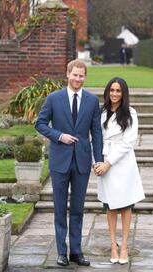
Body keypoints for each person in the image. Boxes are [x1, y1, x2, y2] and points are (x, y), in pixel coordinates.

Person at [35, 60, 103, 267]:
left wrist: (98, 159)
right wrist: (59, 136)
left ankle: (76, 251)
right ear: (67, 74)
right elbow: (40, 124)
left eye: (81, 76)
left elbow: (97, 132)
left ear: (85, 77)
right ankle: (61, 252)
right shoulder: (54, 99)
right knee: (59, 208)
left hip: (82, 161)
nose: (77, 79)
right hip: (60, 161)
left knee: (77, 208)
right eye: (74, 75)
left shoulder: (92, 101)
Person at [94, 77, 145, 265]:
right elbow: (94, 137)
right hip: (104, 160)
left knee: (125, 204)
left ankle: (124, 245)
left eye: (118, 91)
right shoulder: (100, 112)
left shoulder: (130, 113)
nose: (114, 94)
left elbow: (128, 142)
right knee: (110, 205)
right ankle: (113, 245)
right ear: (107, 92)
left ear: (124, 94)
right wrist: (97, 162)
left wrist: (109, 163)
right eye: (112, 90)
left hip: (122, 163)